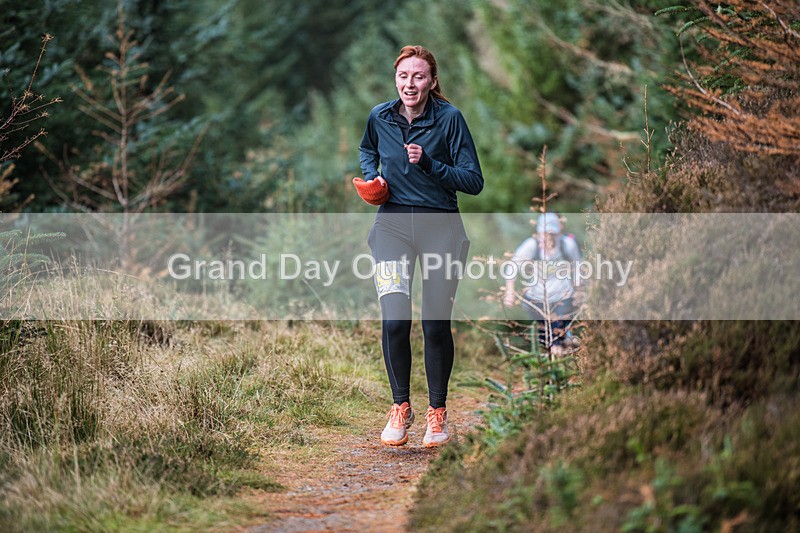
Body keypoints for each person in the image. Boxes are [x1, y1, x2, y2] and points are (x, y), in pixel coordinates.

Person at [356, 45, 483, 448]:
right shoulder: (380, 116)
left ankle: (438, 413)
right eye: (403, 76)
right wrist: (371, 179)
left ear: (431, 81)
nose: (410, 84)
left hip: (440, 228)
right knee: (394, 320)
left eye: (419, 77)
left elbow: (473, 181)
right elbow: (366, 150)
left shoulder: (450, 119)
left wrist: (429, 164)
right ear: (396, 79)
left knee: (434, 323)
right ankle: (400, 406)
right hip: (391, 227)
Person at [503, 212, 582, 354]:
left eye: (552, 234)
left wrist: (579, 291)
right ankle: (552, 367)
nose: (549, 238)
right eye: (545, 234)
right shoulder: (531, 246)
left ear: (558, 232)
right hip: (536, 299)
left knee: (557, 338)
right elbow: (512, 267)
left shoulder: (567, 245)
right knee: (545, 339)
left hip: (563, 298)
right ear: (538, 233)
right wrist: (510, 291)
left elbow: (578, 268)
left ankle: (561, 360)